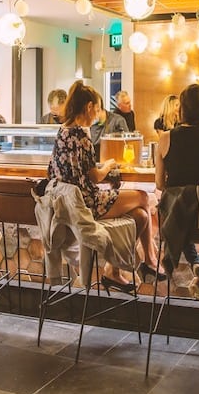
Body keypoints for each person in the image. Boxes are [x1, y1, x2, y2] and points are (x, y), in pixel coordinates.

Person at [47, 80, 161, 290]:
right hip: (87, 205)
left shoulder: (62, 132)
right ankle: (150, 261)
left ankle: (113, 270)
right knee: (143, 198)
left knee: (141, 216)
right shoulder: (81, 136)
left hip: (69, 205)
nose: (98, 114)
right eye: (97, 109)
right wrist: (108, 165)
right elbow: (95, 177)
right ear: (88, 107)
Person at [155, 84, 199, 300]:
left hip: (175, 223)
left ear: (182, 109)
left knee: (178, 207)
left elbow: (159, 184)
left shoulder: (165, 139)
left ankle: (197, 263)